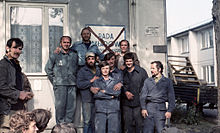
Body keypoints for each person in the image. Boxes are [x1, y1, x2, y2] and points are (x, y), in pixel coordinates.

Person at [0, 38, 34, 132]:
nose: (18, 51)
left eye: (20, 49)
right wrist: (18, 94)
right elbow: (1, 87)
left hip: (18, 108)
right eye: (15, 48)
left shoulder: (15, 65)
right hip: (7, 110)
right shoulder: (3, 65)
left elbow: (16, 85)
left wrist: (25, 93)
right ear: (8, 48)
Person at [45, 36, 78, 124]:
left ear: (70, 44)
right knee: (60, 108)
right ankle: (60, 128)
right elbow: (48, 69)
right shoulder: (55, 54)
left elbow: (77, 68)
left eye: (68, 42)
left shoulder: (74, 55)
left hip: (72, 85)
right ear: (61, 43)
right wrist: (55, 81)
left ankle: (68, 128)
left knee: (71, 108)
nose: (66, 44)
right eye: (64, 42)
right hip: (60, 86)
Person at [140, 61, 175, 133]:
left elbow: (171, 97)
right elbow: (143, 96)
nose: (151, 70)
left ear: (159, 69)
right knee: (147, 131)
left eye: (153, 68)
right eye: (151, 68)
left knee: (160, 130)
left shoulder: (167, 81)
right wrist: (143, 108)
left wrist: (169, 110)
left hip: (160, 109)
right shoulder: (147, 81)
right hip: (149, 109)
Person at [122, 52, 148, 133]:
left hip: (138, 103)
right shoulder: (122, 73)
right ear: (124, 62)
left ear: (133, 61)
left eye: (130, 61)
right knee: (127, 126)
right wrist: (125, 92)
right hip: (126, 104)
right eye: (127, 61)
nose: (128, 63)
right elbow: (119, 86)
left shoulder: (141, 72)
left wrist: (144, 104)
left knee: (139, 125)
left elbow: (146, 87)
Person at [91, 61, 121, 133]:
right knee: (100, 131)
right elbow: (96, 95)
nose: (105, 70)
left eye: (107, 68)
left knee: (113, 131)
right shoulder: (96, 81)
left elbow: (117, 93)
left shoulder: (115, 81)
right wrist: (111, 96)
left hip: (113, 109)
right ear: (100, 70)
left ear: (109, 69)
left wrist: (104, 91)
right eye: (103, 68)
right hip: (100, 109)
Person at [76, 52, 100, 133]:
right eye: (89, 59)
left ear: (95, 60)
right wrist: (91, 81)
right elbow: (79, 84)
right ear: (86, 60)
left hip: (98, 99)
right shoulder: (82, 71)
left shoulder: (99, 69)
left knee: (96, 122)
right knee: (87, 121)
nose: (91, 61)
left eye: (92, 59)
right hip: (87, 99)